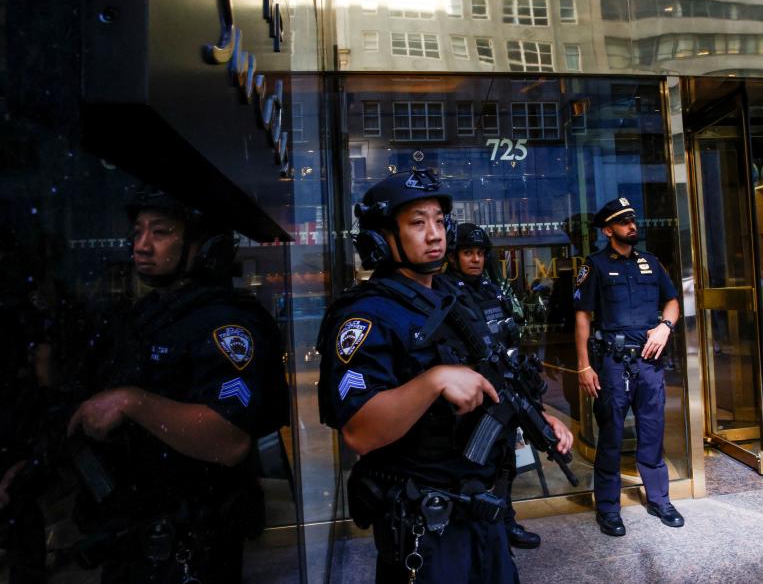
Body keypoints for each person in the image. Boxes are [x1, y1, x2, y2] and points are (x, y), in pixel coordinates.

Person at [317, 169, 572, 583]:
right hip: (425, 523)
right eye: (418, 223)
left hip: (482, 511)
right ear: (382, 238)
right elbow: (359, 433)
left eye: (439, 221)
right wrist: (433, 380)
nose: (434, 234)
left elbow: (493, 376)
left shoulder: (451, 300)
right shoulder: (366, 315)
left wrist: (541, 416)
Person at [66, 188, 289, 583]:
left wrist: (133, 402)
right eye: (138, 233)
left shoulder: (226, 323)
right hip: (135, 535)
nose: (142, 245)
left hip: (191, 543)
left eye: (161, 232)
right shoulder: (147, 316)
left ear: (203, 247)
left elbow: (230, 439)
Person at [573, 197, 683, 536]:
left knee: (652, 431)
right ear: (608, 230)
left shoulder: (651, 263)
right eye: (623, 222)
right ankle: (608, 507)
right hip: (613, 362)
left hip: (649, 363)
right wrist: (583, 367)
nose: (632, 226)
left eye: (633, 220)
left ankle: (659, 499)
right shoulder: (595, 266)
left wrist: (666, 327)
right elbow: (582, 317)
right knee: (611, 436)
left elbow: (673, 302)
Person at [443, 222, 541, 550]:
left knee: (505, 464)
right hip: (470, 398)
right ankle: (474, 534)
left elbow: (510, 332)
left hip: (502, 392)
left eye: (480, 253)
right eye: (468, 252)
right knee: (472, 470)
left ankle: (505, 524)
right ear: (453, 256)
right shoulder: (443, 293)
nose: (475, 259)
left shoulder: (491, 290)